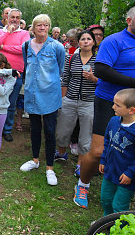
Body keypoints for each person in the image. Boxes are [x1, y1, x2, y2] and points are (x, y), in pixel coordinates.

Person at [74, 4, 135, 209]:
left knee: (130, 151)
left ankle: (122, 192)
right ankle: (83, 184)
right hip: (111, 103)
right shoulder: (114, 41)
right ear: (129, 21)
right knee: (98, 152)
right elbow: (102, 70)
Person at [20, 14, 65, 186]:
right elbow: (27, 66)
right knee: (34, 128)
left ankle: (50, 168)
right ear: (33, 28)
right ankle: (35, 160)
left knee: (50, 130)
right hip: (32, 94)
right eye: (39, 25)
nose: (42, 28)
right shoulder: (26, 46)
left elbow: (60, 69)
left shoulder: (57, 47)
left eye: (46, 25)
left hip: (50, 95)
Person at [99, 89, 135, 216]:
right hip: (110, 171)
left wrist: (130, 173)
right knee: (106, 200)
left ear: (132, 110)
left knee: (119, 206)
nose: (113, 107)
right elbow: (107, 140)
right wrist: (103, 159)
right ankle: (105, 224)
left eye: (117, 105)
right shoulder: (114, 121)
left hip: (126, 177)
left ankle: (119, 229)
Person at [54, 30, 98, 178]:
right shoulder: (72, 58)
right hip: (70, 99)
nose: (86, 41)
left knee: (85, 134)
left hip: (88, 101)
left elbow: (104, 83)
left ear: (93, 42)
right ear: (78, 42)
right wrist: (63, 98)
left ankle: (81, 164)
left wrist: (93, 78)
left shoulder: (98, 61)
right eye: (83, 39)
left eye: (88, 39)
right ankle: (61, 153)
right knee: (62, 129)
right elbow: (65, 78)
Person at [0, 8, 30, 142]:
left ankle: (7, 129)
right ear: (7, 17)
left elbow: (23, 49)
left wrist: (4, 47)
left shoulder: (24, 33)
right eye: (12, 17)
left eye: (17, 17)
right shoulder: (0, 31)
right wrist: (7, 33)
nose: (15, 20)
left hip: (16, 73)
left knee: (10, 103)